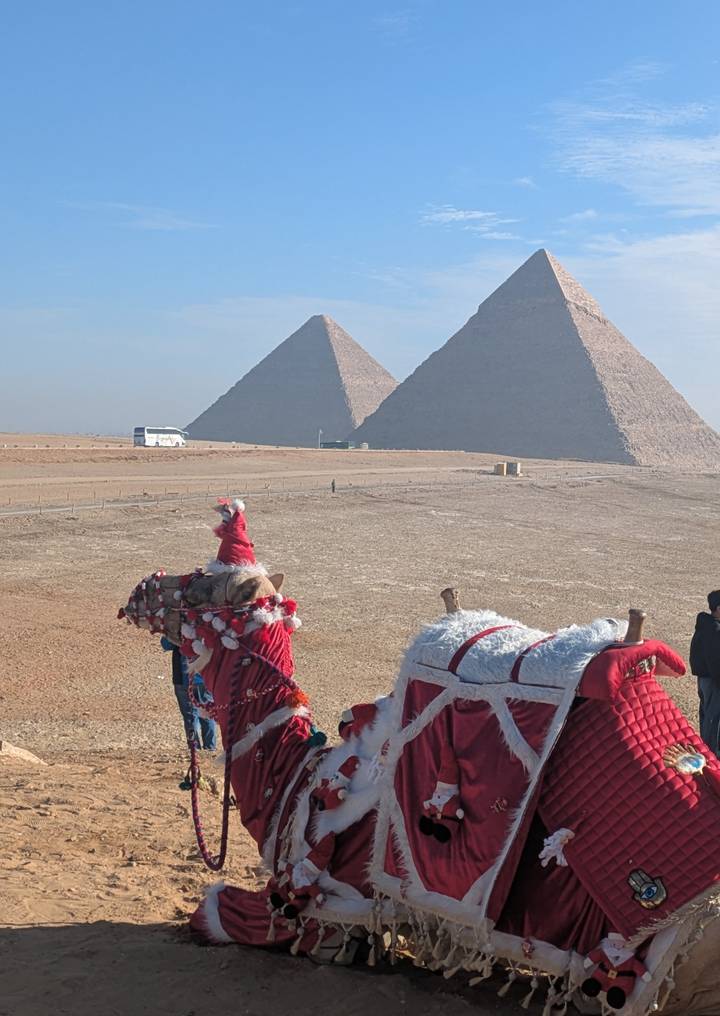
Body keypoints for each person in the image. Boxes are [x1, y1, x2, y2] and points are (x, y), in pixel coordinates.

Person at [160, 636, 217, 752]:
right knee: (206, 714)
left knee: (191, 717)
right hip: (203, 678)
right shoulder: (205, 627)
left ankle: (194, 749)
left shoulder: (176, 629)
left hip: (184, 678)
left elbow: (166, 644)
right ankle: (210, 748)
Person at [690, 590, 720, 754]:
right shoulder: (714, 630)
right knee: (714, 720)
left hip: (705, 679)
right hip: (713, 681)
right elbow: (715, 661)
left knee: (707, 715)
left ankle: (706, 749)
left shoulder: (706, 624)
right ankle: (711, 755)